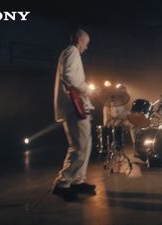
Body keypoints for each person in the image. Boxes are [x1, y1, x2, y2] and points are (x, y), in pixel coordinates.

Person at [53, 29, 99, 201]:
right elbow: (70, 76)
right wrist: (88, 89)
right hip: (74, 109)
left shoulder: (70, 53)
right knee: (79, 149)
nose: (86, 47)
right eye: (86, 43)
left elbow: (71, 77)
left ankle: (77, 181)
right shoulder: (72, 51)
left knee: (84, 147)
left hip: (76, 107)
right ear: (80, 39)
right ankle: (62, 183)